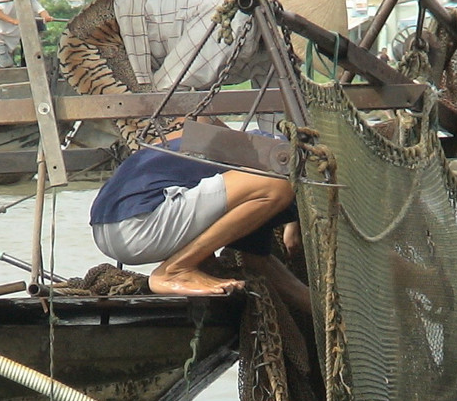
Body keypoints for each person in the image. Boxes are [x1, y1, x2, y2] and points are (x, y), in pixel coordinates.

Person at [89, 127, 310, 312]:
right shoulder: (277, 161)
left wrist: (317, 309)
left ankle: (193, 265)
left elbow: (257, 262)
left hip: (106, 228)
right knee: (278, 185)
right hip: (140, 225)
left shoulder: (246, 144)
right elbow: (278, 193)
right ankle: (176, 270)